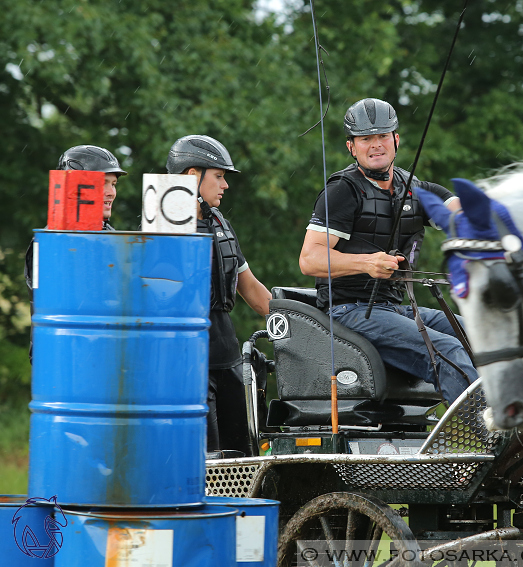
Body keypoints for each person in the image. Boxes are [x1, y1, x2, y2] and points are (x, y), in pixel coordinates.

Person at [299, 98, 477, 403]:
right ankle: (480, 438)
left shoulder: (411, 187)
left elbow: (460, 213)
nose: (375, 145)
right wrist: (366, 262)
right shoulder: (343, 190)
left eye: (382, 136)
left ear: (395, 139)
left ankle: (522, 433)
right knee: (448, 351)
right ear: (352, 147)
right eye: (366, 139)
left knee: (479, 334)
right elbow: (309, 259)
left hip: (397, 309)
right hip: (350, 310)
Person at [166, 135, 272, 456]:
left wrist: (296, 323)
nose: (224, 185)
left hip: (228, 358)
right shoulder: (162, 229)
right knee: (207, 463)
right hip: (188, 364)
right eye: (219, 176)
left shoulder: (220, 222)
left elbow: (251, 289)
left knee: (246, 457)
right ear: (191, 176)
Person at [24, 145, 127, 362]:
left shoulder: (111, 235)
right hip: (65, 361)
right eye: (103, 183)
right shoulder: (53, 240)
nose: (111, 192)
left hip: (106, 359)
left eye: (114, 184)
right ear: (77, 186)